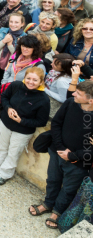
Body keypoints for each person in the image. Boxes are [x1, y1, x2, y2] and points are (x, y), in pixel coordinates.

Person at [33, 80, 93, 230]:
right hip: (57, 151)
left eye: (78, 93)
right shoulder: (70, 103)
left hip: (79, 163)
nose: (73, 94)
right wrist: (60, 148)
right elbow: (56, 123)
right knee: (52, 180)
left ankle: (57, 212)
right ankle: (47, 204)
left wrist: (72, 156)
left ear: (90, 100)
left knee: (68, 189)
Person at [0, 68, 50, 185]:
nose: (31, 82)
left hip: (22, 131)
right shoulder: (15, 86)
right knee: (1, 146)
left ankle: (5, 173)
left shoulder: (43, 100)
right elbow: (4, 98)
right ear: (24, 78)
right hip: (5, 123)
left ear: (41, 82)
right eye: (28, 78)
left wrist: (22, 121)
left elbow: (41, 121)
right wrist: (8, 108)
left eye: (35, 80)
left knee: (13, 152)